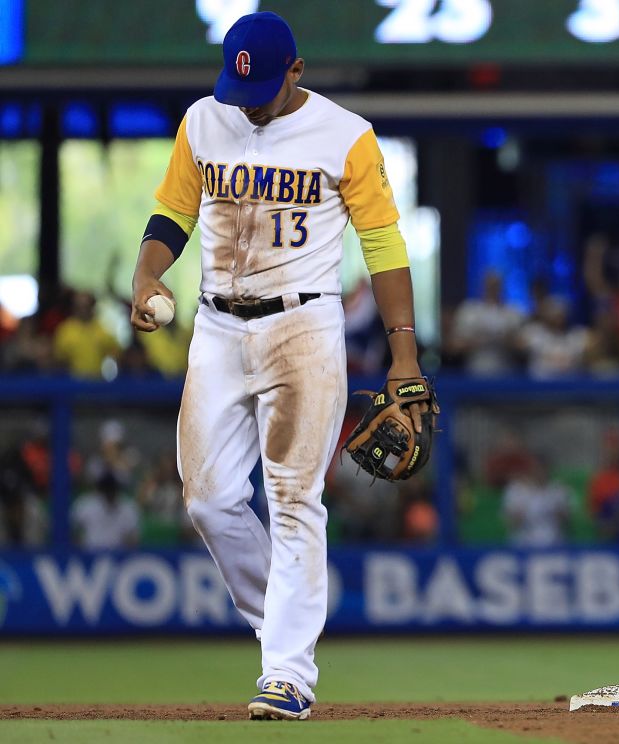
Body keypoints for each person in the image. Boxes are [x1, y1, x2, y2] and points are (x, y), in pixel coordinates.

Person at [128, 11, 426, 720]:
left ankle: (287, 672)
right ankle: (281, 627)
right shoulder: (206, 119)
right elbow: (173, 213)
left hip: (303, 324)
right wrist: (147, 277)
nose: (249, 101)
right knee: (207, 500)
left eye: (263, 85)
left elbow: (383, 246)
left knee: (295, 498)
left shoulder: (345, 135)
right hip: (217, 325)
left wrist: (404, 354)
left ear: (296, 71)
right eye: (239, 86)